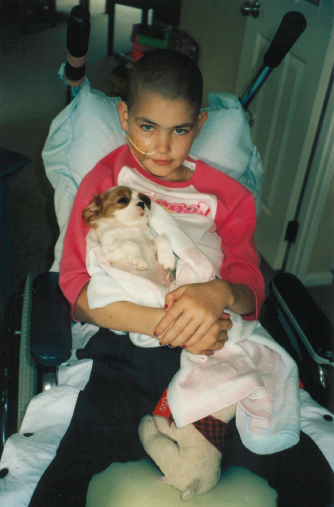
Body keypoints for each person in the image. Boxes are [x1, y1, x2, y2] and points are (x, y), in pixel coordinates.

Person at [28, 50, 332, 507]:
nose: (162, 148)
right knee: (76, 463)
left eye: (181, 130)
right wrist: (163, 324)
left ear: (201, 124)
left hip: (216, 344)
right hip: (126, 346)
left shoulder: (225, 194)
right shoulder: (106, 179)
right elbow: (75, 288)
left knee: (293, 461)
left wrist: (220, 293)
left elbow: (250, 285)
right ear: (125, 117)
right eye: (147, 127)